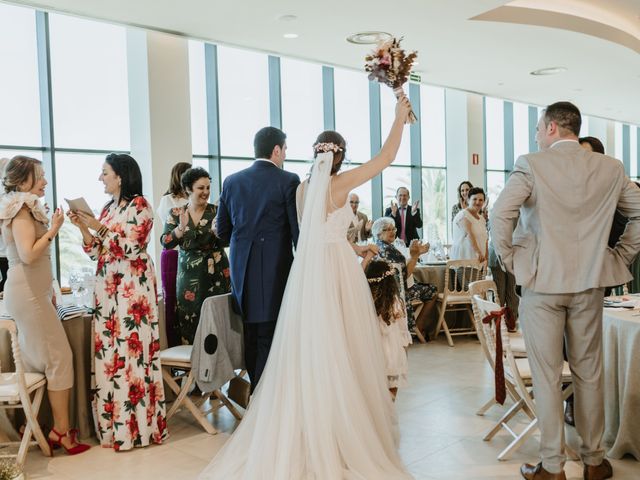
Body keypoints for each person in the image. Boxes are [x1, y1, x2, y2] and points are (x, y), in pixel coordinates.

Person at [199, 97, 413, 479]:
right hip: (336, 273)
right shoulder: (338, 183)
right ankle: (339, 430)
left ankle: (308, 423)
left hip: (307, 272)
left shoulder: (302, 188)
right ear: (341, 156)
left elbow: (310, 233)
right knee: (343, 347)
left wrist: (351, 244)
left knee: (311, 350)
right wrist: (399, 118)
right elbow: (385, 159)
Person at [491, 102, 640, 480]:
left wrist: (511, 259)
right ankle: (594, 462)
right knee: (589, 372)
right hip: (590, 283)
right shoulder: (611, 168)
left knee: (546, 374)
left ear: (554, 127)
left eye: (540, 129)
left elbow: (500, 214)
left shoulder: (531, 164)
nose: (537, 135)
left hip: (542, 285)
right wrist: (621, 254)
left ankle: (553, 468)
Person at [68, 153, 168, 451]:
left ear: (120, 176)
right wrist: (82, 227)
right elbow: (96, 251)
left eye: (105, 172)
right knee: (111, 355)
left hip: (131, 290)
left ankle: (139, 429)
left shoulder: (141, 205)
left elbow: (130, 247)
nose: (101, 178)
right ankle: (114, 429)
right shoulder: (107, 208)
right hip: (107, 290)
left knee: (132, 353)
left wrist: (96, 226)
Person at [0, 156, 90, 455]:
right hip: (27, 292)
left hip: (31, 291)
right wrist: (54, 228)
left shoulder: (22, 207)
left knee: (39, 357)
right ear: (23, 180)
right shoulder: (21, 209)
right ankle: (60, 431)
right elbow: (27, 254)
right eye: (40, 176)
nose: (45, 182)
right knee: (59, 357)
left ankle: (34, 424)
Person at [216, 126, 300, 391]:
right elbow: (297, 232)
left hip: (242, 270)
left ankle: (258, 392)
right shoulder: (288, 180)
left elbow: (222, 233)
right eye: (285, 149)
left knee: (251, 335)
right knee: (270, 335)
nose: (285, 154)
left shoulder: (231, 181)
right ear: (276, 150)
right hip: (275, 270)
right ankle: (264, 397)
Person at [161, 167, 231, 344]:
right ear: (188, 189)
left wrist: (218, 233)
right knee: (189, 318)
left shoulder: (218, 211)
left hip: (216, 272)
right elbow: (166, 242)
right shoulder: (176, 214)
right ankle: (192, 366)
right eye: (201, 188)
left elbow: (229, 241)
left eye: (208, 187)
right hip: (188, 274)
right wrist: (180, 228)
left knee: (217, 319)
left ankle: (219, 367)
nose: (206, 192)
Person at [373, 216, 437, 340]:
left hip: (383, 292)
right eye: (387, 229)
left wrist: (415, 255)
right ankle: (418, 326)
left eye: (393, 229)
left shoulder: (378, 247)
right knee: (432, 290)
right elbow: (403, 276)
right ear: (379, 234)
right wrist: (414, 256)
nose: (392, 232)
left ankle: (417, 327)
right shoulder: (389, 251)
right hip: (397, 293)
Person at [364, 257, 411, 401]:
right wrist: (404, 354)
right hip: (392, 352)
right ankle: (389, 412)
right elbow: (403, 332)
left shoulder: (364, 302)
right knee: (391, 388)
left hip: (371, 352)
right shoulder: (396, 302)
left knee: (373, 392)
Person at [156, 161, 190, 347]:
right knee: (172, 300)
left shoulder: (195, 199)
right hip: (173, 253)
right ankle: (174, 345)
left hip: (191, 253)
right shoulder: (167, 200)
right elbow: (167, 228)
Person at [450, 187, 488, 262]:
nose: (477, 202)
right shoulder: (463, 215)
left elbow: (485, 239)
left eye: (481, 200)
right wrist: (478, 252)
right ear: (468, 200)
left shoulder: (481, 219)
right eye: (474, 199)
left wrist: (486, 258)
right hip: (464, 262)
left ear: (484, 202)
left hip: (479, 261)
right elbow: (469, 234)